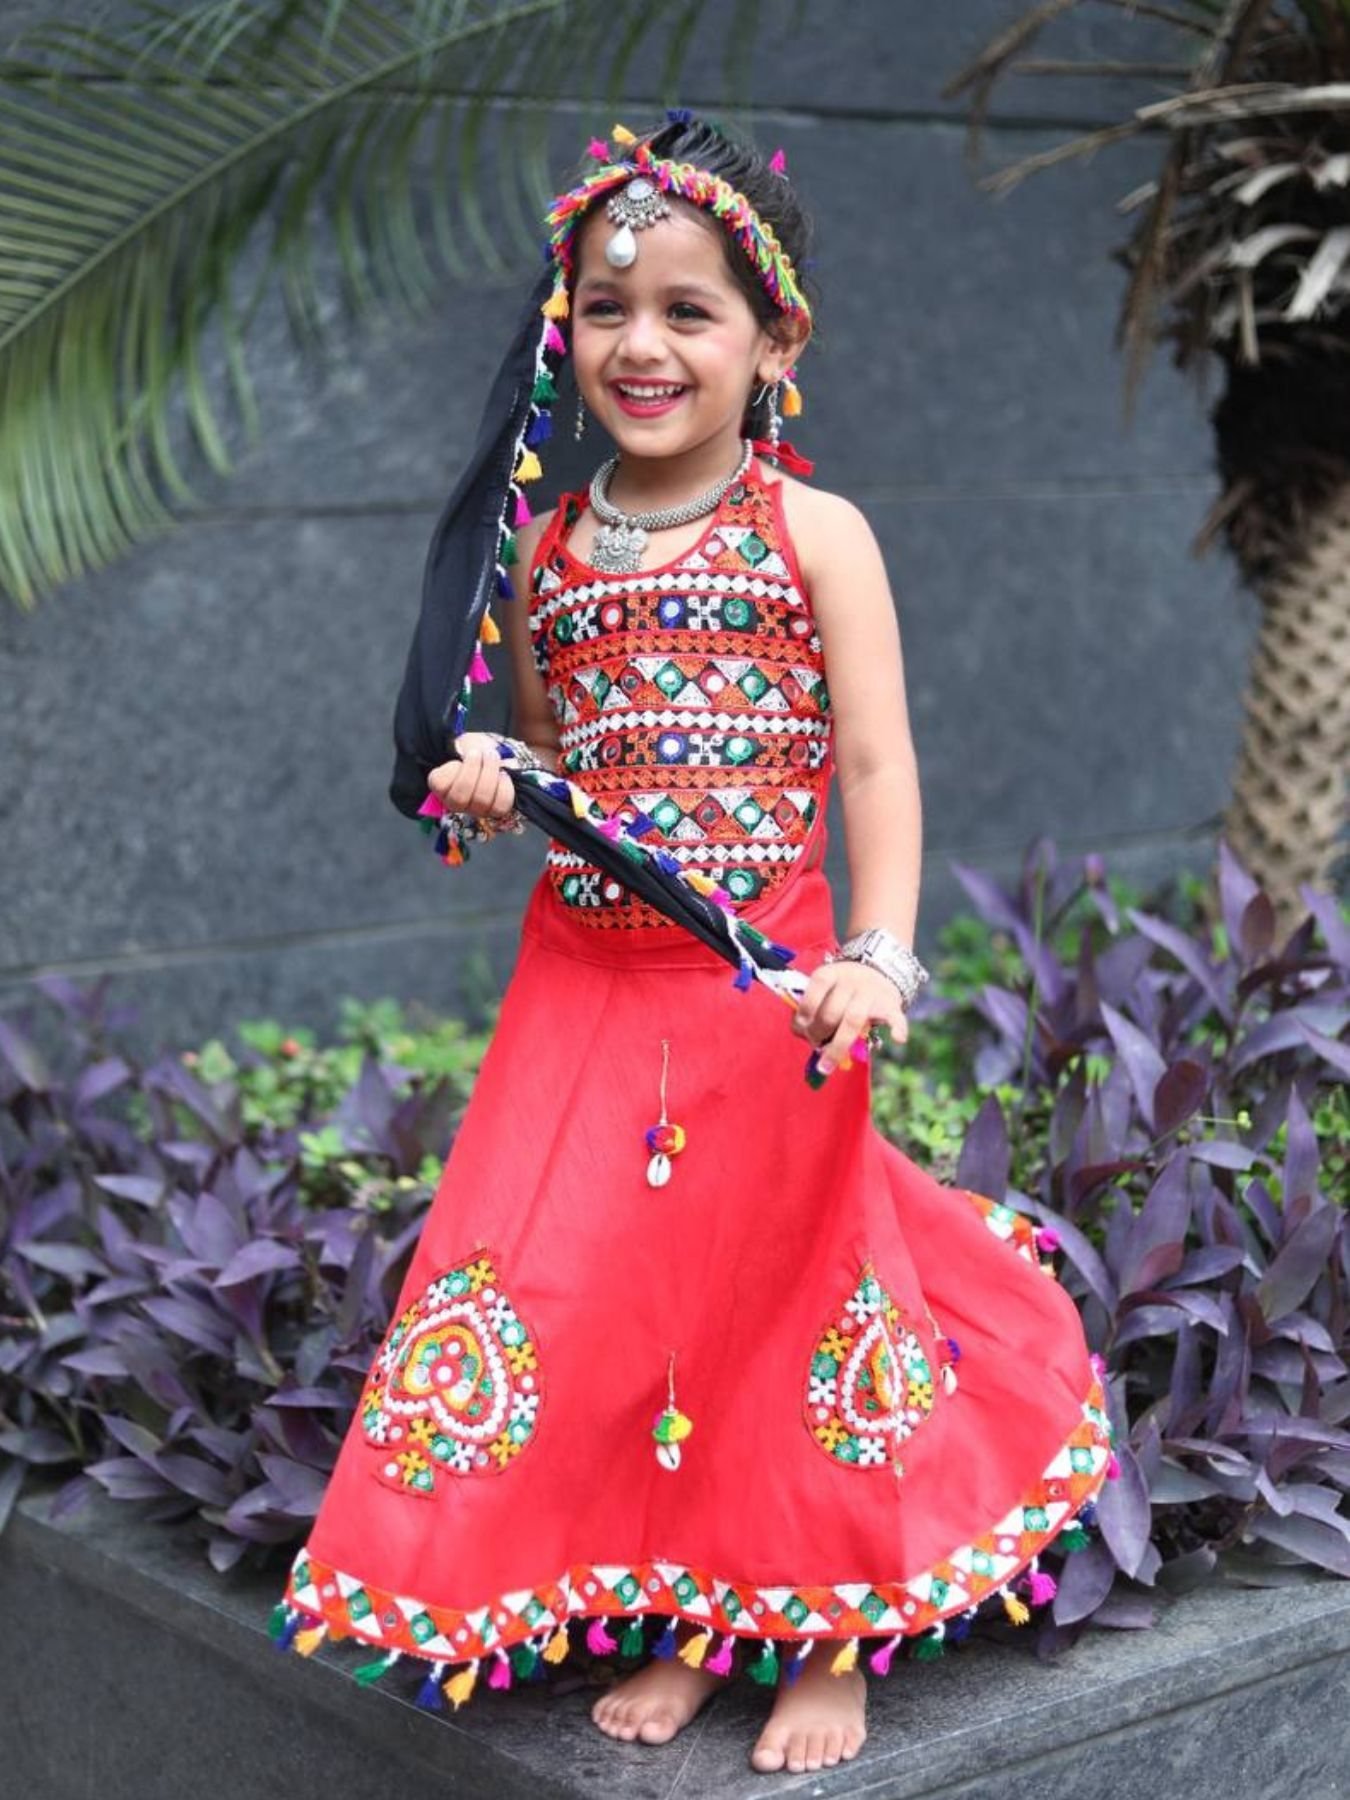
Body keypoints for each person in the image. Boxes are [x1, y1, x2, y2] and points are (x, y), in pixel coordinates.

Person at [272, 110, 1117, 1780]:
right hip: (582, 990)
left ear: (773, 340)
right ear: (563, 329)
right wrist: (494, 783)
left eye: (686, 310)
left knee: (783, 1290)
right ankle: (680, 1607)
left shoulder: (816, 532)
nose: (639, 345)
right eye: (605, 308)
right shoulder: (545, 551)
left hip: (766, 988)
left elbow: (874, 764)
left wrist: (878, 953)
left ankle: (823, 1630)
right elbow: (553, 760)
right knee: (590, 1284)